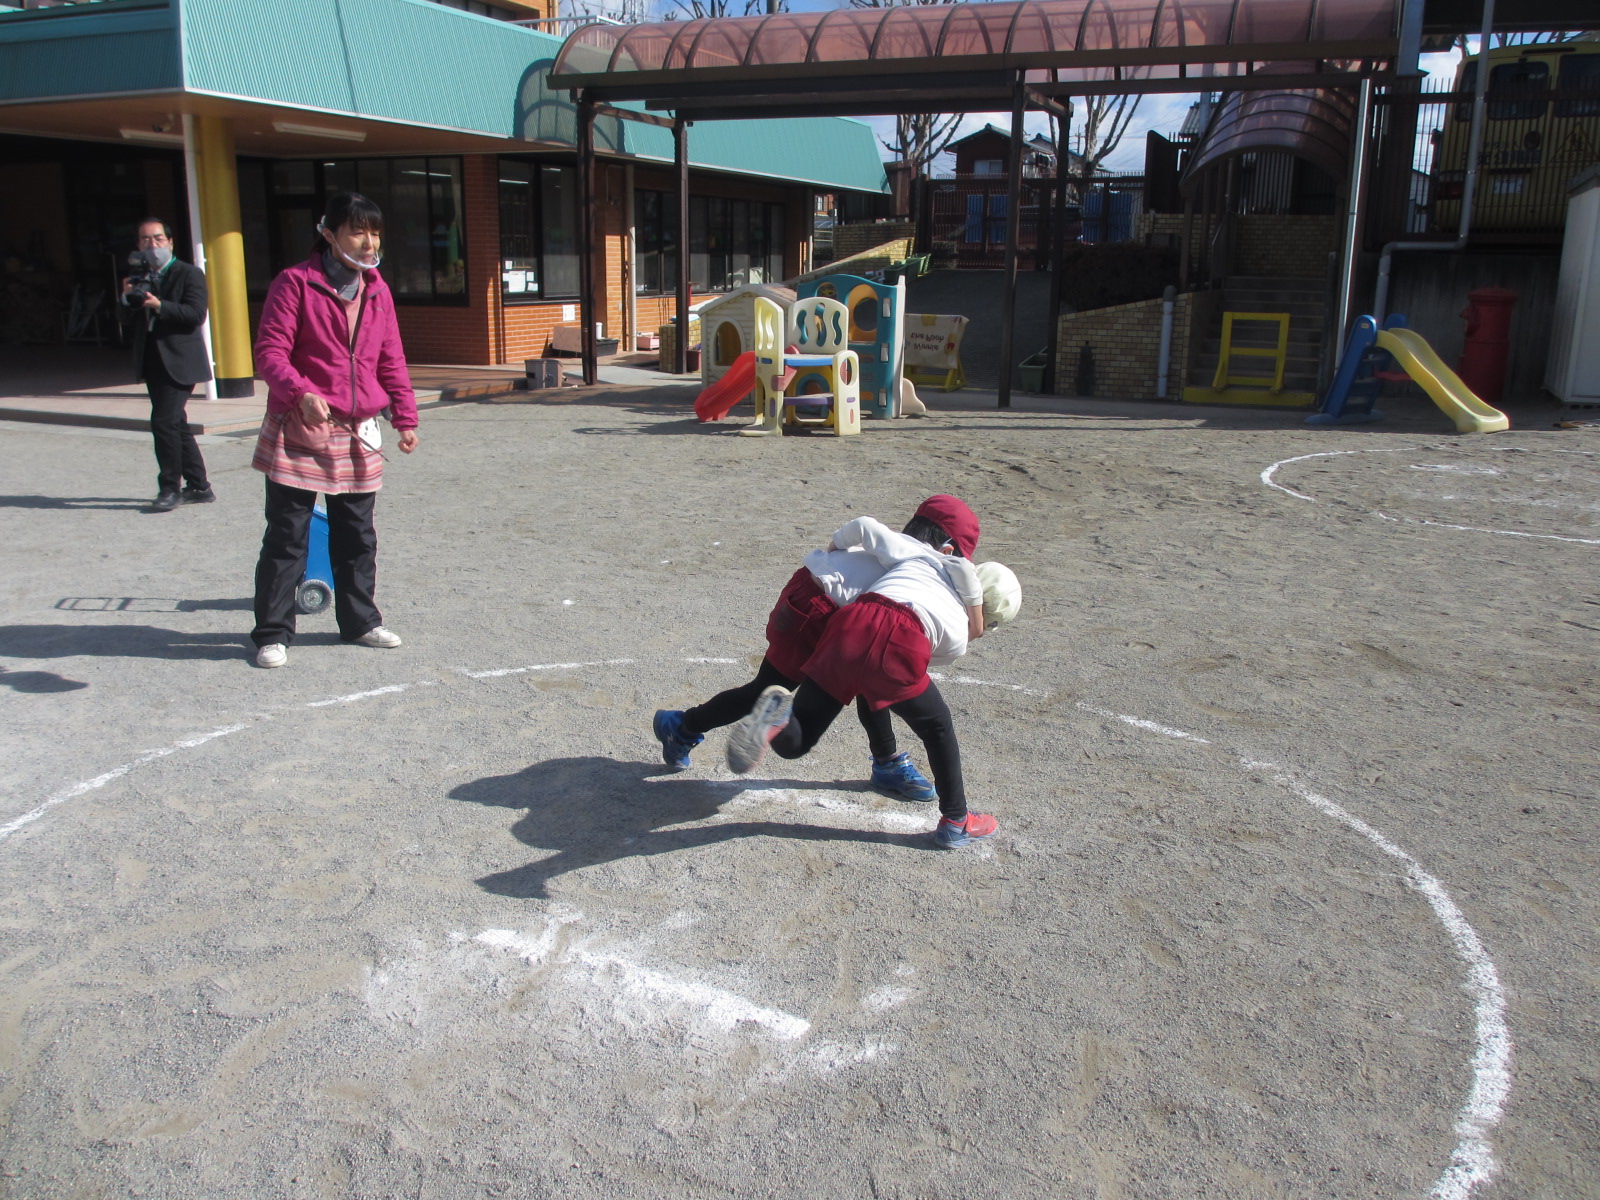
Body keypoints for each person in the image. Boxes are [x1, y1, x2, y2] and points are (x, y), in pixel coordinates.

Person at [724, 495, 1003, 850]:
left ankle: (779, 718)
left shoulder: (914, 557)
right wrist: (974, 620)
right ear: (951, 550)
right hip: (902, 635)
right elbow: (945, 642)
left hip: (851, 621)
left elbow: (869, 532)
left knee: (799, 740)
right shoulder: (958, 588)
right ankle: (956, 821)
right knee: (936, 725)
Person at [652, 505, 944, 801]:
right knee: (767, 691)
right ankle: (681, 726)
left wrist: (837, 545)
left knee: (869, 680)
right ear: (948, 548)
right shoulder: (926, 562)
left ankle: (886, 761)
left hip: (827, 603)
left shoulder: (898, 545)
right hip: (816, 608)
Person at [248, 192, 419, 670]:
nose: (369, 243)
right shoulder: (294, 284)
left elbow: (391, 360)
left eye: (375, 232)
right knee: (288, 535)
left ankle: (360, 621)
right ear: (329, 234)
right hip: (302, 426)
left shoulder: (378, 291)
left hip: (358, 429)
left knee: (358, 534)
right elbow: (270, 353)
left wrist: (404, 417)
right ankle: (274, 633)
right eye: (358, 232)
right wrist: (300, 391)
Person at [121, 219, 213, 512]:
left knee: (163, 422)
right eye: (145, 240)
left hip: (180, 360)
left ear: (170, 242)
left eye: (158, 239)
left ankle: (169, 488)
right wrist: (125, 298)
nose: (152, 245)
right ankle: (199, 486)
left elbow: (195, 314)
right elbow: (124, 321)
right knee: (175, 422)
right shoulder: (138, 276)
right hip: (152, 359)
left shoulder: (189, 273)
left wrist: (158, 305)